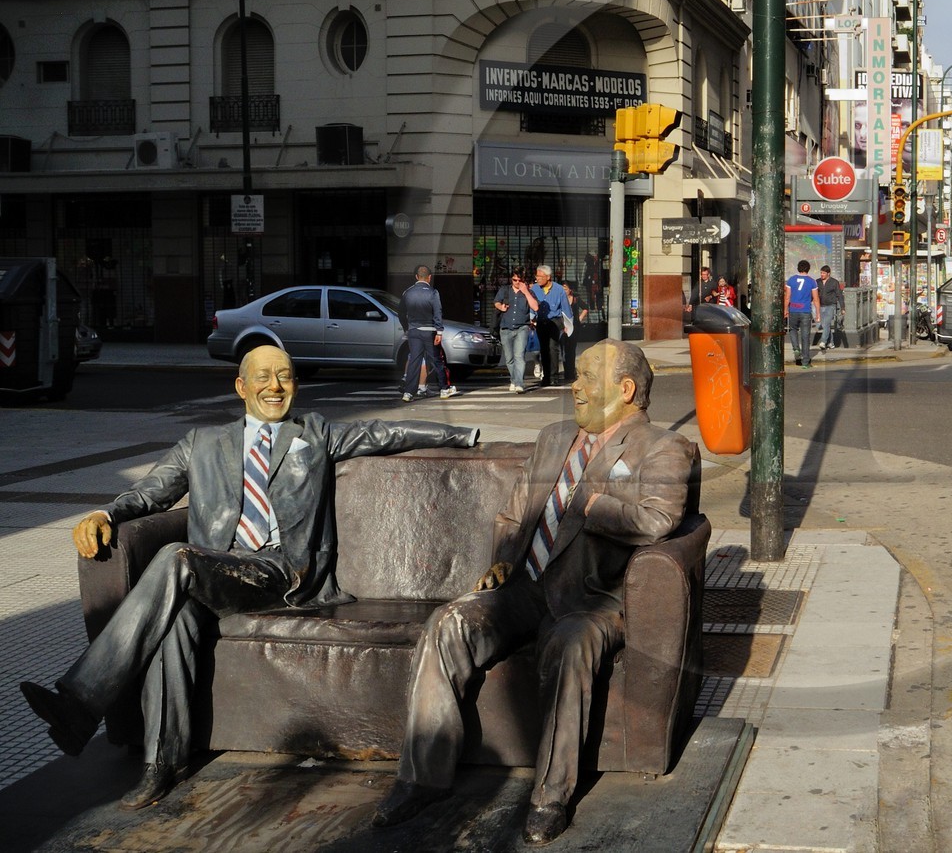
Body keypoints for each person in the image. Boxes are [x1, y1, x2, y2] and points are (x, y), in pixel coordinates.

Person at [17, 345, 480, 810]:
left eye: (285, 376)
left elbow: (386, 432)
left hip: (282, 574)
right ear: (241, 387)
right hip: (218, 571)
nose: (275, 387)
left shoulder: (313, 432)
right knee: (173, 620)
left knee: (177, 558)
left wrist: (464, 434)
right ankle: (164, 763)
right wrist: (104, 513)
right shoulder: (200, 444)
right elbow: (149, 493)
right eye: (263, 377)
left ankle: (80, 703)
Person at [371, 339, 696, 845]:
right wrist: (501, 562)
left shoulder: (664, 446)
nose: (576, 386)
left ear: (626, 389)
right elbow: (513, 513)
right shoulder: (553, 438)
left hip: (594, 600)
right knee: (447, 624)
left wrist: (592, 502)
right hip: (525, 587)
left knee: (570, 646)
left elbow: (657, 520)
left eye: (588, 377)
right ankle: (422, 778)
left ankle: (550, 796)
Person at [401, 265, 457, 401]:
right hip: (430, 331)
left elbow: (401, 313)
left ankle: (408, 393)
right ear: (429, 277)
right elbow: (438, 312)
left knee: (414, 360)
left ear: (416, 277)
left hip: (414, 331)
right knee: (437, 360)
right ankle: (444, 388)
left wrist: (406, 328)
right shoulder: (433, 293)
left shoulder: (407, 293)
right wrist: (439, 332)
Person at [494, 269, 540, 393]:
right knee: (509, 358)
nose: (517, 282)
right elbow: (496, 302)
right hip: (506, 328)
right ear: (511, 279)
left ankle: (519, 383)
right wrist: (501, 307)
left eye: (520, 280)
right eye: (515, 280)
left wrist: (525, 292)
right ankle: (514, 380)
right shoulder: (505, 290)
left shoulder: (528, 292)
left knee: (519, 355)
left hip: (522, 327)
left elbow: (535, 307)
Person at [532, 264, 575, 387]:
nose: (537, 278)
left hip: (555, 321)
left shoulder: (559, 289)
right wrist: (531, 319)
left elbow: (566, 308)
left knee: (553, 348)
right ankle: (546, 377)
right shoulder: (534, 288)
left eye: (540, 276)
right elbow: (531, 305)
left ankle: (554, 376)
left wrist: (568, 324)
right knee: (544, 349)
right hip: (541, 321)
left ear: (548, 277)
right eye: (537, 276)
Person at [783, 259, 821, 368]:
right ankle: (805, 362)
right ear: (808, 269)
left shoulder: (791, 280)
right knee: (805, 336)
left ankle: (795, 348)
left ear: (798, 268)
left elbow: (787, 297)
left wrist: (785, 309)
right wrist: (818, 313)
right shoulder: (812, 281)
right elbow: (816, 299)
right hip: (805, 311)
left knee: (793, 330)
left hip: (793, 310)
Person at [815, 264, 844, 352]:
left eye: (823, 273)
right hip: (820, 306)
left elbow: (839, 295)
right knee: (824, 325)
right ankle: (831, 343)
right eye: (821, 273)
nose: (822, 275)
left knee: (826, 323)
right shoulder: (817, 281)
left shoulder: (834, 282)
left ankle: (823, 342)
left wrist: (843, 307)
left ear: (828, 274)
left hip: (830, 306)